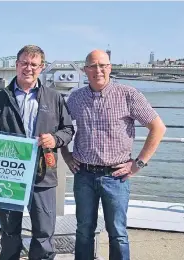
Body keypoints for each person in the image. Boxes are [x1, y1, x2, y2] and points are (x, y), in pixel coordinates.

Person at [60, 50, 166, 260]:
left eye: (102, 65)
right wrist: (66, 156)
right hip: (84, 175)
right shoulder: (75, 98)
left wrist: (139, 163)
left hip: (116, 176)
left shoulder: (128, 94)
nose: (97, 70)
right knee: (83, 231)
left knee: (118, 233)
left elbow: (158, 128)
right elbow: (60, 128)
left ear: (110, 67)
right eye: (92, 66)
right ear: (84, 70)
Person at [0, 45, 75, 260]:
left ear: (41, 68)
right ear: (16, 65)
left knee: (44, 230)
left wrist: (54, 139)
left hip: (43, 174)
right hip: (9, 175)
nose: (29, 68)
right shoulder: (0, 99)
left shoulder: (54, 98)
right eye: (24, 63)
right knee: (9, 230)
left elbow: (68, 130)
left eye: (34, 64)